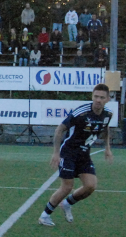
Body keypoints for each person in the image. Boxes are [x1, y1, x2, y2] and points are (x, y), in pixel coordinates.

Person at [38, 84, 114, 227]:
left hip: (84, 154)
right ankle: (45, 216)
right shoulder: (81, 113)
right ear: (92, 96)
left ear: (107, 99)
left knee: (90, 186)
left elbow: (106, 129)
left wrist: (107, 148)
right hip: (69, 152)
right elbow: (59, 129)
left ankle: (67, 203)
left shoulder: (108, 115)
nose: (98, 100)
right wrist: (56, 153)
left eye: (102, 97)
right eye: (96, 96)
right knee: (67, 187)